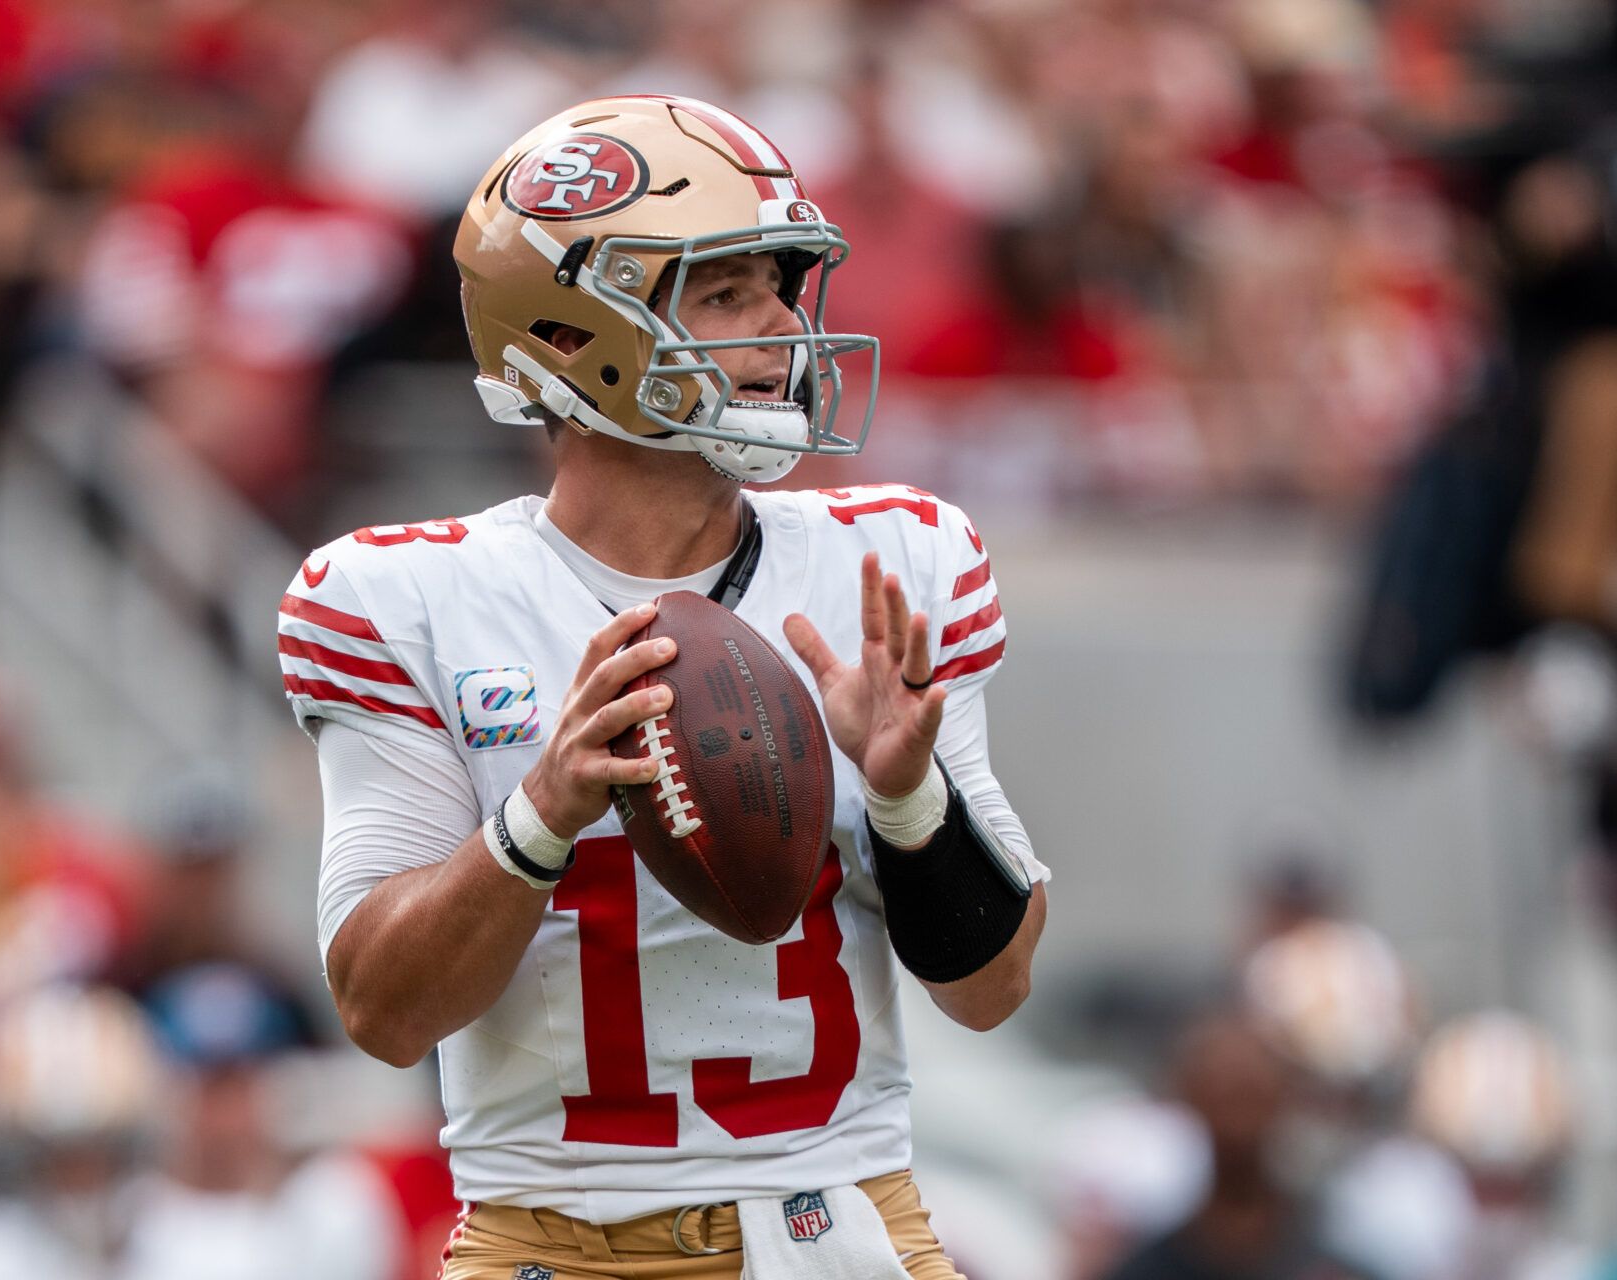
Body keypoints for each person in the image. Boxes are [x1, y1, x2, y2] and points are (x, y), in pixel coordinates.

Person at [277, 94, 1050, 1279]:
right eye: (725, 293)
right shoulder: (408, 597)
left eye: (781, 286)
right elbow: (384, 1014)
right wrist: (540, 814)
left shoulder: (894, 560)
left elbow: (993, 988)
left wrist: (910, 800)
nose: (781, 326)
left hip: (842, 1221)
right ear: (575, 333)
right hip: (557, 1242)